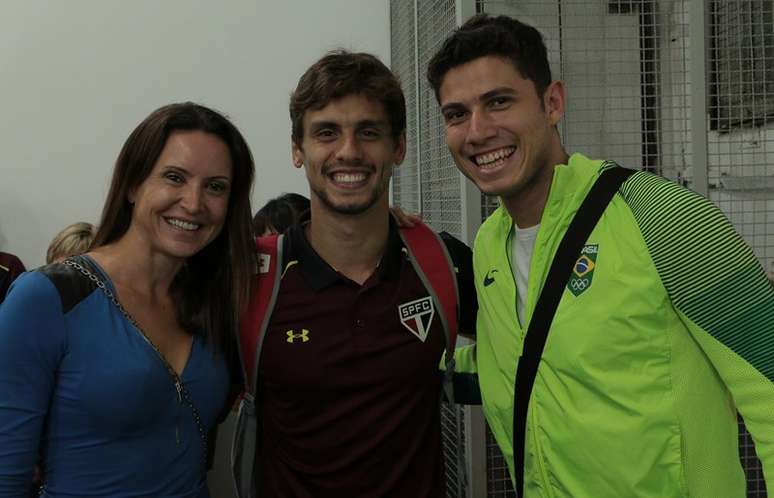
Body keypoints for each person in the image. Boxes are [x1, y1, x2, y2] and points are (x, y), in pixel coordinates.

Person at [427, 14, 774, 498]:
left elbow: (768, 378)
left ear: (552, 103)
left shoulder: (664, 216)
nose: (478, 130)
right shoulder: (489, 244)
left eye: (499, 102)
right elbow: (524, 366)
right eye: (457, 114)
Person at [232, 50, 476, 498]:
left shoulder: (441, 262)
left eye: (369, 132)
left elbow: (533, 356)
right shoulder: (251, 280)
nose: (349, 152)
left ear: (398, 147)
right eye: (327, 133)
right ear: (297, 150)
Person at [0, 102, 254, 498]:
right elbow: (5, 474)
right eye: (174, 177)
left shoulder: (217, 300)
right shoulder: (46, 298)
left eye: (215, 187)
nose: (193, 202)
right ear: (134, 184)